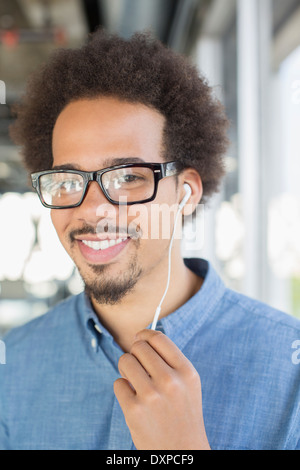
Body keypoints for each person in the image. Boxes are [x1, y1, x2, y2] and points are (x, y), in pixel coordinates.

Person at [0, 29, 299, 451]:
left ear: (186, 192)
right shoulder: (14, 365)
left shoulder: (290, 371)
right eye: (67, 180)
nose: (92, 210)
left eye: (126, 177)